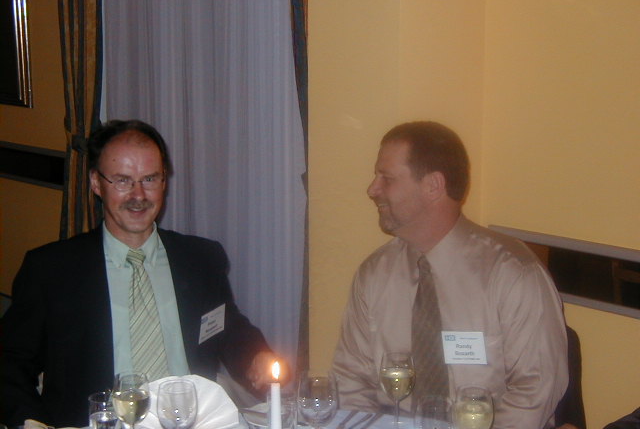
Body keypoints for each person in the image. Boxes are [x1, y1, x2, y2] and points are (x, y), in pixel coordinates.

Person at [0, 120, 285, 428]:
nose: (138, 195)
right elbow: (10, 362)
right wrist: (32, 422)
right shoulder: (52, 269)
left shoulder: (201, 259)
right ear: (96, 183)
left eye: (149, 179)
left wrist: (255, 357)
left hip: (191, 421)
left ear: (164, 181)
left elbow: (226, 328)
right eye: (123, 180)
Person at [332, 121, 569, 429]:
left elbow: (535, 392)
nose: (372, 189)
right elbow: (351, 381)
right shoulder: (374, 274)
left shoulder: (511, 273)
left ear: (433, 186)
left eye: (386, 178)